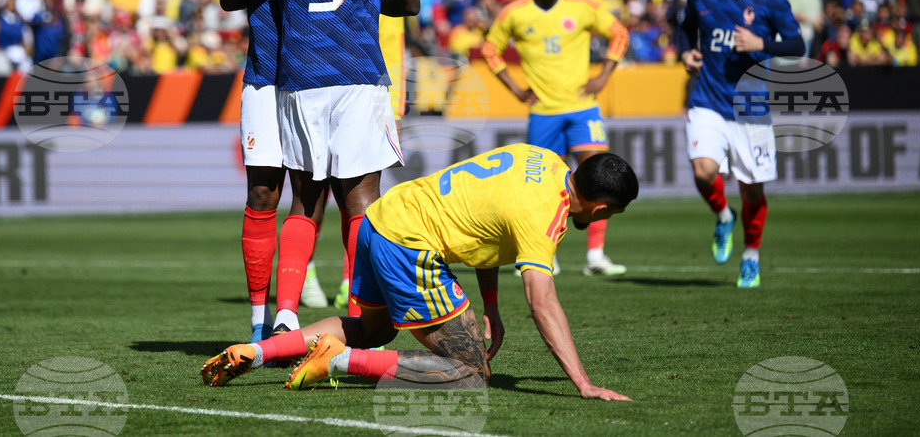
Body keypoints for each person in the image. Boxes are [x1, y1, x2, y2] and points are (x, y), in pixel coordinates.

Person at [202, 144, 638, 402]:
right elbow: (543, 303)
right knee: (471, 373)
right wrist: (583, 384)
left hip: (379, 220)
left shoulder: (538, 158)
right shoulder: (545, 216)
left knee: (374, 328)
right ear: (600, 209)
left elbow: (488, 224)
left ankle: (259, 352)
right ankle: (336, 359)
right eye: (611, 214)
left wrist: (490, 305)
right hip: (410, 245)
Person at [217, 0, 422, 341]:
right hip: (270, 74)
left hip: (299, 74)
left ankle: (328, 311)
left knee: (314, 196)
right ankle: (265, 319)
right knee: (271, 193)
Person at [482, 0, 630, 276]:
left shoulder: (581, 6)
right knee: (539, 187)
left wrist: (604, 74)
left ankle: (595, 256)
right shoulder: (515, 12)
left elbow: (619, 32)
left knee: (598, 176)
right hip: (544, 113)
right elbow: (490, 49)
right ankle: (542, 253)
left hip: (582, 109)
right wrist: (516, 89)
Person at [676, 0, 805, 288]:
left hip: (751, 109)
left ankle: (750, 256)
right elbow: (685, 28)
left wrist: (760, 45)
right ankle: (722, 215)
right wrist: (686, 52)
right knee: (703, 171)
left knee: (753, 190)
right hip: (708, 100)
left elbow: (797, 47)